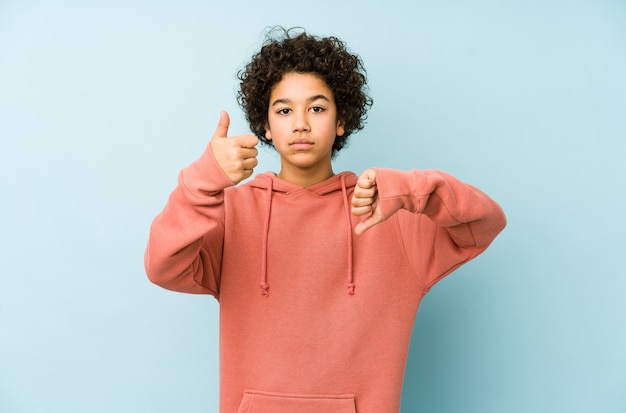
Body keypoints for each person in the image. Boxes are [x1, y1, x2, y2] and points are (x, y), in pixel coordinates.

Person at [144, 27, 506, 413]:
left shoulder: (390, 214)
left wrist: (414, 190)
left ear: (341, 121)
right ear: (265, 126)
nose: (300, 123)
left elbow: (484, 224)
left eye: (317, 108)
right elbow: (162, 267)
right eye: (284, 110)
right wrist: (202, 183)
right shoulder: (230, 214)